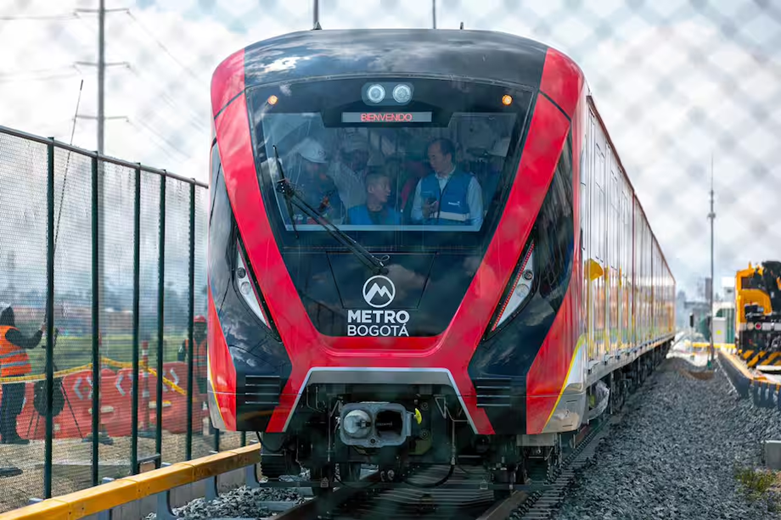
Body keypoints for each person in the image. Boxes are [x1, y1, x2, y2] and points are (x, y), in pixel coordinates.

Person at [410, 138, 484, 228]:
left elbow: (477, 221)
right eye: (429, 158)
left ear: (448, 157)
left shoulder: (469, 183)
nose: (431, 162)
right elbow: (414, 216)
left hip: (459, 241)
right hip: (429, 241)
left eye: (434, 157)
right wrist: (424, 213)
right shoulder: (423, 183)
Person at [0, 305, 43, 445]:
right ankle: (11, 436)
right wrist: (40, 331)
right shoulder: (10, 332)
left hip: (6, 374)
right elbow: (30, 344)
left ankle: (5, 436)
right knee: (13, 405)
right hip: (15, 374)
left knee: (6, 405)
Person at [287, 137, 346, 223]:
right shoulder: (290, 181)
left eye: (318, 164)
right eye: (311, 163)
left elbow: (340, 211)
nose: (316, 167)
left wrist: (332, 210)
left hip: (323, 234)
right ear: (301, 161)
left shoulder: (327, 184)